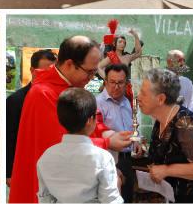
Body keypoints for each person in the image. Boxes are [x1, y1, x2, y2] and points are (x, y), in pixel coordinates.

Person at [8, 36, 133, 203]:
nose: (92, 78)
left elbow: (90, 119)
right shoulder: (43, 93)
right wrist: (107, 144)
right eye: (89, 72)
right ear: (68, 64)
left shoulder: (71, 87)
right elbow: (60, 143)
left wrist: (108, 134)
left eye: (95, 72)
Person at [139, 68, 193, 203]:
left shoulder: (185, 124)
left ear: (161, 99)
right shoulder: (161, 119)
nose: (138, 97)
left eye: (143, 93)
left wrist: (166, 170)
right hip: (180, 195)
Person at [37, 87, 124, 204]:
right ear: (89, 121)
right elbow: (110, 200)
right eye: (95, 116)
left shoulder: (46, 157)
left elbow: (44, 198)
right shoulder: (103, 158)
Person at [6, 49, 57, 187]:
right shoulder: (16, 100)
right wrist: (9, 173)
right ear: (32, 70)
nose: (48, 75)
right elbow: (10, 137)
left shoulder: (59, 98)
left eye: (52, 71)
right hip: (26, 165)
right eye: (44, 71)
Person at [96, 63, 135, 203]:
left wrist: (136, 143)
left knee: (127, 197)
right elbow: (96, 133)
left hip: (128, 159)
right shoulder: (98, 103)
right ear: (105, 81)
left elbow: (131, 128)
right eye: (112, 82)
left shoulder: (126, 102)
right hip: (110, 159)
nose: (116, 86)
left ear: (126, 83)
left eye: (120, 83)